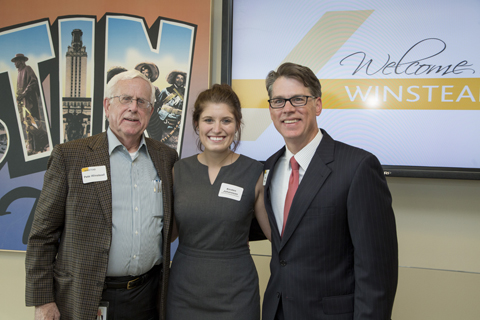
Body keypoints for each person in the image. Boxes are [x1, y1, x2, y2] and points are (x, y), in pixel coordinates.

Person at [25, 69, 178, 320]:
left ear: (151, 111)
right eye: (125, 99)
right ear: (107, 106)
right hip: (86, 296)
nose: (133, 108)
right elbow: (42, 235)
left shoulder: (166, 157)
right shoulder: (70, 156)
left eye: (142, 102)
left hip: (148, 296)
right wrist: (43, 300)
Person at [261, 62, 398, 320]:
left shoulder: (358, 167)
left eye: (298, 99)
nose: (287, 109)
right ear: (271, 110)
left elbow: (377, 272)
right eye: (278, 101)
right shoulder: (269, 167)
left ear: (318, 105)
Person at [166, 84, 271, 320]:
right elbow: (169, 234)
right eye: (208, 120)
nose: (217, 129)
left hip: (237, 294)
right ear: (196, 124)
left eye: (226, 120)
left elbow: (276, 235)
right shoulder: (178, 171)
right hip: (184, 291)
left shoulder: (254, 171)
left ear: (237, 124)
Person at [156, 70, 187, 148]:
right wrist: (163, 116)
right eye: (177, 78)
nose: (179, 80)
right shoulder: (165, 91)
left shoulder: (186, 93)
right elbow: (158, 105)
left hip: (179, 123)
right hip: (165, 121)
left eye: (182, 79)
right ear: (174, 79)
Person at [12, 53, 42, 121]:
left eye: (16, 61)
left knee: (30, 119)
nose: (15, 64)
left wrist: (24, 93)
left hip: (29, 99)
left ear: (20, 61)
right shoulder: (19, 72)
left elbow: (33, 81)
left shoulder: (27, 68)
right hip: (22, 100)